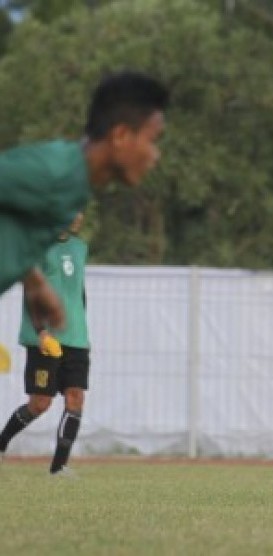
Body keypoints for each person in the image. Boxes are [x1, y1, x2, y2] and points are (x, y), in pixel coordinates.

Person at [0, 71, 169, 370]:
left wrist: (36, 283)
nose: (155, 155)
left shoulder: (75, 187)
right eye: (152, 140)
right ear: (120, 136)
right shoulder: (55, 172)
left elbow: (15, 228)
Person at [0, 213, 89, 476]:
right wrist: (40, 331)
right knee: (40, 403)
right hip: (46, 339)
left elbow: (79, 291)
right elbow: (32, 292)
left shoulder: (80, 248)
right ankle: (2, 442)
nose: (77, 216)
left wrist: (83, 329)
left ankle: (59, 467)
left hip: (76, 339)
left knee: (76, 398)